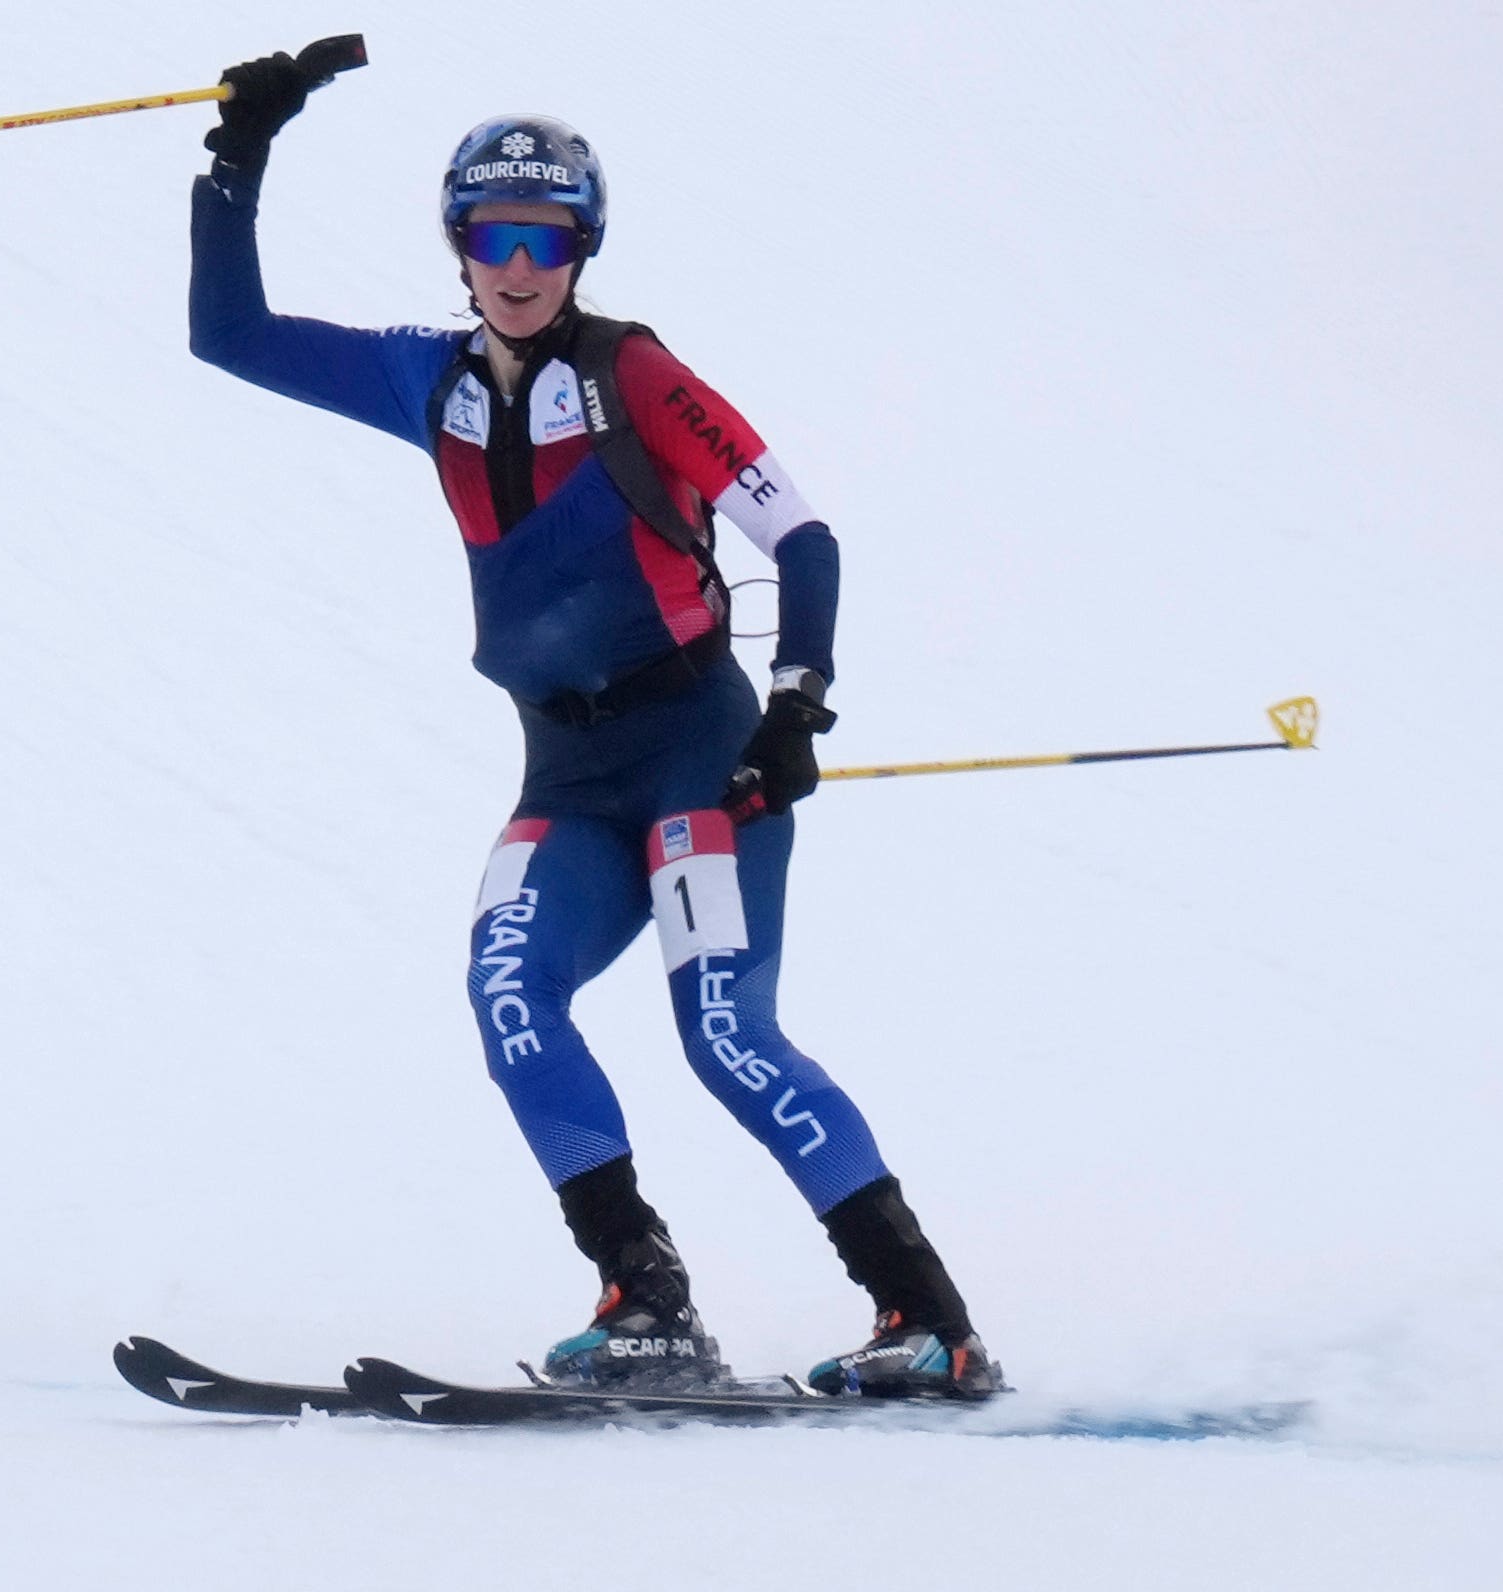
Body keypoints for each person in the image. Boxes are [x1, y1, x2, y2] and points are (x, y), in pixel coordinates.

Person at [189, 51, 1001, 1398]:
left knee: (724, 1037)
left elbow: (800, 536)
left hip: (700, 760)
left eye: (547, 240)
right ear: (458, 247)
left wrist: (794, 704)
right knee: (509, 995)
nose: (518, 266)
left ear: (582, 248)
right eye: (493, 238)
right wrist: (235, 167)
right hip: (566, 774)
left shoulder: (635, 377)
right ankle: (646, 1295)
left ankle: (929, 1321)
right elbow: (230, 337)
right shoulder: (426, 384)